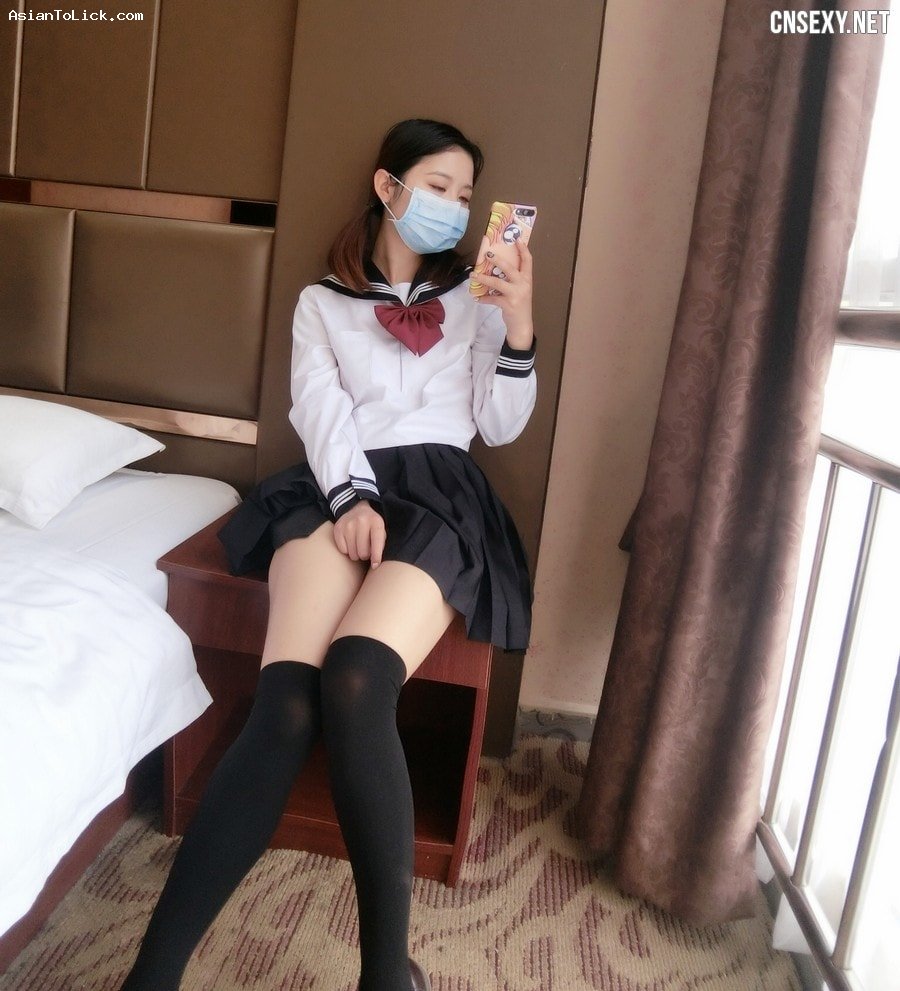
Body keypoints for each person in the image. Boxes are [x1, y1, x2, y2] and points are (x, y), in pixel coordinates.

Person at [119, 118, 537, 991]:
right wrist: (350, 498)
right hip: (335, 484)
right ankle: (150, 976)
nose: (454, 208)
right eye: (439, 187)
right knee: (284, 706)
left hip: (442, 495)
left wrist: (518, 322)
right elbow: (318, 407)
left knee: (355, 678)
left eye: (465, 196)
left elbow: (498, 424)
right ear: (390, 187)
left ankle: (386, 976)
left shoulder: (476, 298)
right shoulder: (322, 302)